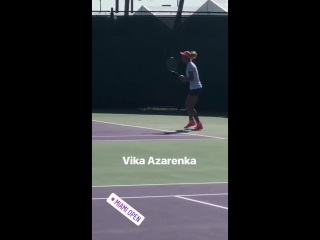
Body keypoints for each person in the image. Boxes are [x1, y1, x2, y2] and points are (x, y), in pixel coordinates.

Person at [179, 51, 203, 130]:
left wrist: (184, 78)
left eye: (183, 56)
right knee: (187, 105)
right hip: (194, 88)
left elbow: (191, 78)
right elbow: (190, 78)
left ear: (187, 58)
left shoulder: (190, 65)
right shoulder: (189, 65)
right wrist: (184, 79)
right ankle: (191, 121)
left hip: (196, 88)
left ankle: (198, 124)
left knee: (190, 106)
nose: (182, 57)